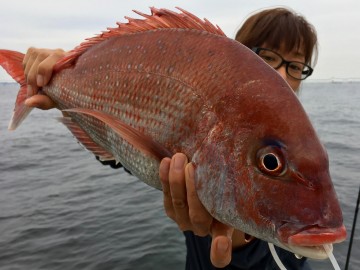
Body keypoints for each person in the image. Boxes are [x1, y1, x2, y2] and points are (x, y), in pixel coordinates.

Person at [22, 7, 318, 269]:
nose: (279, 74)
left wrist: (242, 241)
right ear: (238, 54)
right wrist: (64, 73)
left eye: (294, 66)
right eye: (265, 57)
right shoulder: (211, 107)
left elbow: (301, 254)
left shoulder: (301, 149)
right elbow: (126, 152)